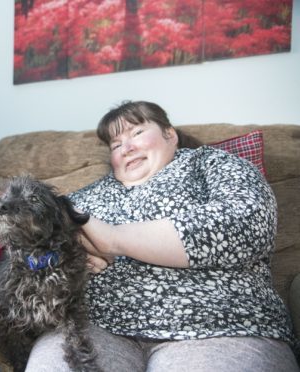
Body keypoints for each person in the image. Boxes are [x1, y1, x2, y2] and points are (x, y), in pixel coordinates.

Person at [26, 101, 299, 371]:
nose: (127, 148)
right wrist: (67, 256)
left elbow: (247, 222)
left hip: (219, 323)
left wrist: (112, 238)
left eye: (136, 133)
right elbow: (29, 259)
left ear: (170, 134)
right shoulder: (81, 199)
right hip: (94, 328)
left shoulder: (211, 165)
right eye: (116, 145)